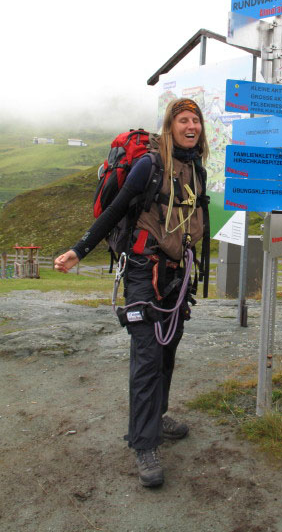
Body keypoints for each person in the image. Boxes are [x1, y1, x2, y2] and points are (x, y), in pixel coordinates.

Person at [55, 98, 210, 486]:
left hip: (177, 275)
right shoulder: (149, 165)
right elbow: (115, 210)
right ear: (170, 127)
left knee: (168, 349)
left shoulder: (197, 170)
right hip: (143, 272)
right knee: (146, 354)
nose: (190, 125)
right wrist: (78, 250)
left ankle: (156, 416)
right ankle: (145, 445)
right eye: (183, 120)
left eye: (196, 120)